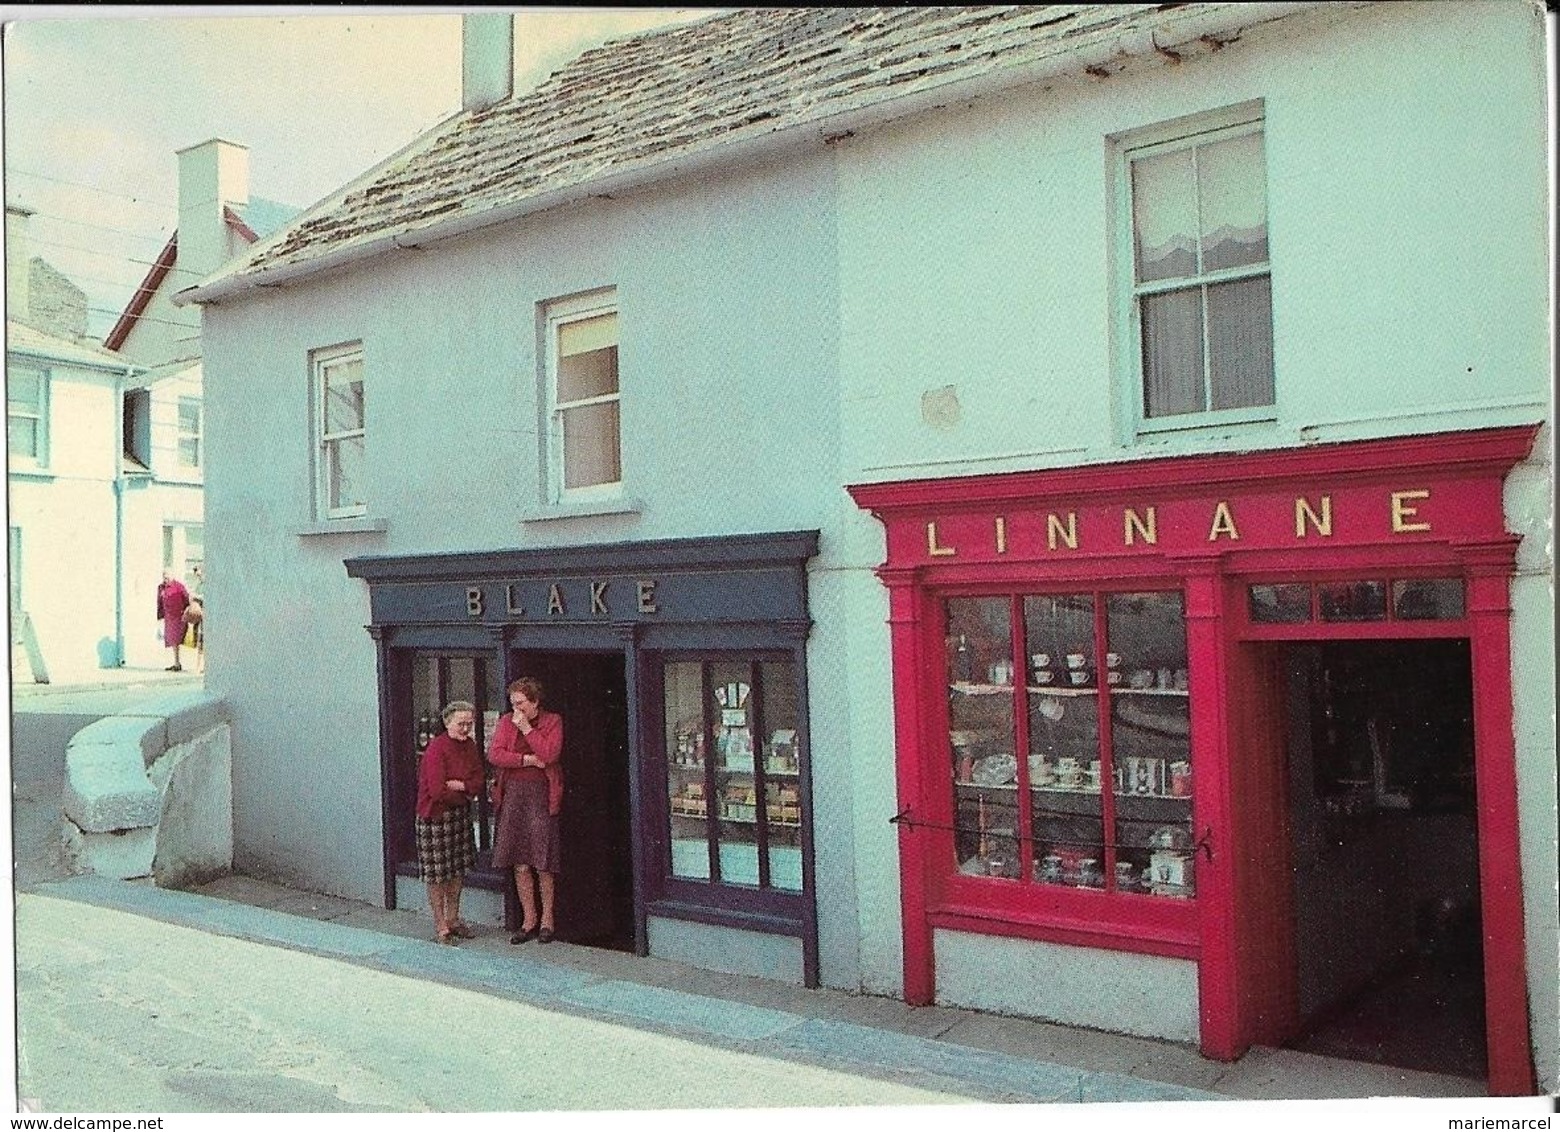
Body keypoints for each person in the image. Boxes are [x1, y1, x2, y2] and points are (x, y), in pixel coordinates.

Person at [488, 677, 564, 944]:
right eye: (513, 704)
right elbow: (495, 754)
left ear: (535, 702)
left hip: (541, 795)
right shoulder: (506, 722)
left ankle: (547, 920)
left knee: (542, 860)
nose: (516, 710)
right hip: (513, 795)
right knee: (520, 862)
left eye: (521, 703)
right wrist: (526, 760)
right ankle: (528, 918)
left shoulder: (552, 721)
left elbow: (551, 753)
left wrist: (529, 732)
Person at [415, 700, 484, 944]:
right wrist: (464, 792)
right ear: (447, 722)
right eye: (461, 724)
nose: (465, 729)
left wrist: (462, 785)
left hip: (459, 814)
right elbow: (437, 790)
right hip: (435, 816)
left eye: (469, 724)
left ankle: (454, 918)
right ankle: (441, 925)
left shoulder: (470, 746)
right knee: (437, 875)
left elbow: (478, 780)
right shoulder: (436, 749)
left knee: (457, 871)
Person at [156, 571, 190, 671]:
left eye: (167, 576)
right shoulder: (161, 587)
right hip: (169, 616)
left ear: (172, 576)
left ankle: (177, 662)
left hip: (178, 615)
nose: (165, 578)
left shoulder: (178, 586)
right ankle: (176, 662)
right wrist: (160, 616)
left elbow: (186, 598)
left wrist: (186, 611)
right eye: (164, 576)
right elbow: (159, 602)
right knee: (172, 640)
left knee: (176, 639)